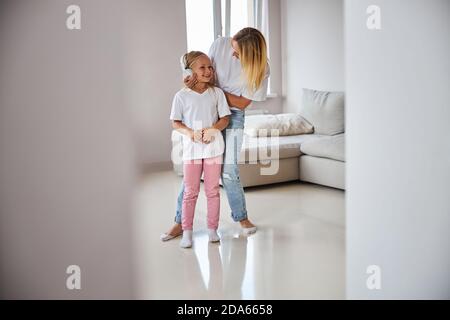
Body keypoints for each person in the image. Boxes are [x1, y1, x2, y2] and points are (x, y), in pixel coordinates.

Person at [162, 27, 270, 241]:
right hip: (207, 111)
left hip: (234, 116)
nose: (232, 53)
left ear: (250, 55)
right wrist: (195, 81)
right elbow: (201, 69)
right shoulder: (221, 44)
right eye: (233, 47)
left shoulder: (261, 68)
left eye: (238, 52)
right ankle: (179, 222)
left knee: (229, 170)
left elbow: (241, 103)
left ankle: (241, 217)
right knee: (192, 171)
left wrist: (215, 91)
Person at [169, 51, 231, 248]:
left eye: (210, 67)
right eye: (202, 67)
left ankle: (213, 229)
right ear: (189, 71)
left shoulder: (217, 93)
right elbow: (176, 122)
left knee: (213, 191)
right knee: (190, 192)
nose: (208, 71)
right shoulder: (181, 96)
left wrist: (213, 129)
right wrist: (190, 133)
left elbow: (225, 119)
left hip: (213, 149)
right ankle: (187, 231)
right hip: (192, 151)